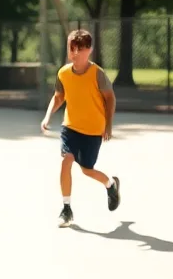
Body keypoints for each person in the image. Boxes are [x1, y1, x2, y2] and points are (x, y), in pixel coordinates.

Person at [41, 29, 121, 227]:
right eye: (72, 48)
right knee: (66, 160)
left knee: (87, 170)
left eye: (81, 49)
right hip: (71, 127)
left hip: (93, 130)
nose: (76, 53)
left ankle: (110, 184)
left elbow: (110, 98)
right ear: (68, 50)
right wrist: (48, 115)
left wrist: (109, 124)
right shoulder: (63, 73)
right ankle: (66, 208)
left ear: (90, 50)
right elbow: (59, 96)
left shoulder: (97, 74)